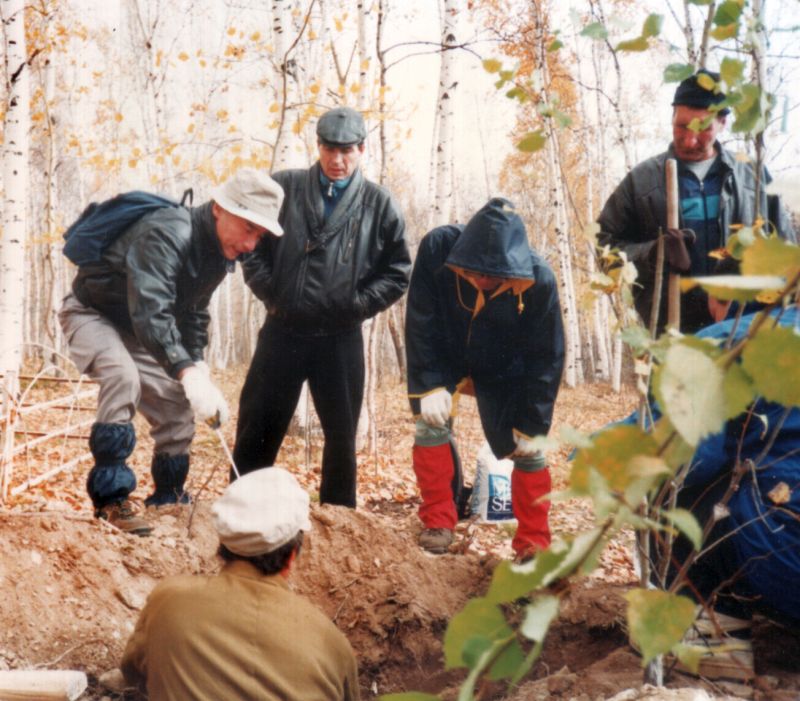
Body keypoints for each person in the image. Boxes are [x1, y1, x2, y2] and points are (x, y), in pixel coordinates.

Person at [58, 169, 284, 535]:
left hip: (139, 330)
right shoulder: (167, 232)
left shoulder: (217, 254)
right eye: (248, 228)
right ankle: (111, 501)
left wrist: (197, 365)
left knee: (177, 404)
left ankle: (169, 500)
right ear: (219, 209)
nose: (250, 244)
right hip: (92, 312)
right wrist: (185, 369)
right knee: (122, 376)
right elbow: (152, 310)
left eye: (259, 235)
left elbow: (193, 312)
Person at [234, 106, 411, 507]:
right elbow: (251, 245)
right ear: (318, 146)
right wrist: (273, 294)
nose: (337, 159)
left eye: (346, 150)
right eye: (330, 149)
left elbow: (398, 272)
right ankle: (241, 511)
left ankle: (339, 520)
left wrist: (355, 305)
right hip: (282, 330)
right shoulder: (285, 187)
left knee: (341, 438)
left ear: (361, 149)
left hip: (339, 336)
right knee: (257, 427)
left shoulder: (380, 204)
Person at [405, 198, 565, 559]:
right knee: (429, 426)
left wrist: (534, 424)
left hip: (505, 368)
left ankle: (533, 543)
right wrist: (428, 384)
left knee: (529, 449)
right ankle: (438, 522)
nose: (480, 280)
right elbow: (420, 322)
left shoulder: (539, 279)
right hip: (446, 354)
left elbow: (546, 358)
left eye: (491, 275)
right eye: (474, 271)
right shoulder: (437, 248)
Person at [121, 467, 361, 700]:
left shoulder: (167, 599)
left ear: (223, 544)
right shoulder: (331, 644)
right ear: (291, 555)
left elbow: (133, 672)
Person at [598, 68, 796, 334]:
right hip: (671, 336)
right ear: (672, 116)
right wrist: (653, 253)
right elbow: (604, 249)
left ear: (722, 122)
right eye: (682, 126)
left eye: (703, 128)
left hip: (742, 333)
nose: (690, 140)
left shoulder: (753, 177)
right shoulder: (642, 182)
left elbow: (788, 254)